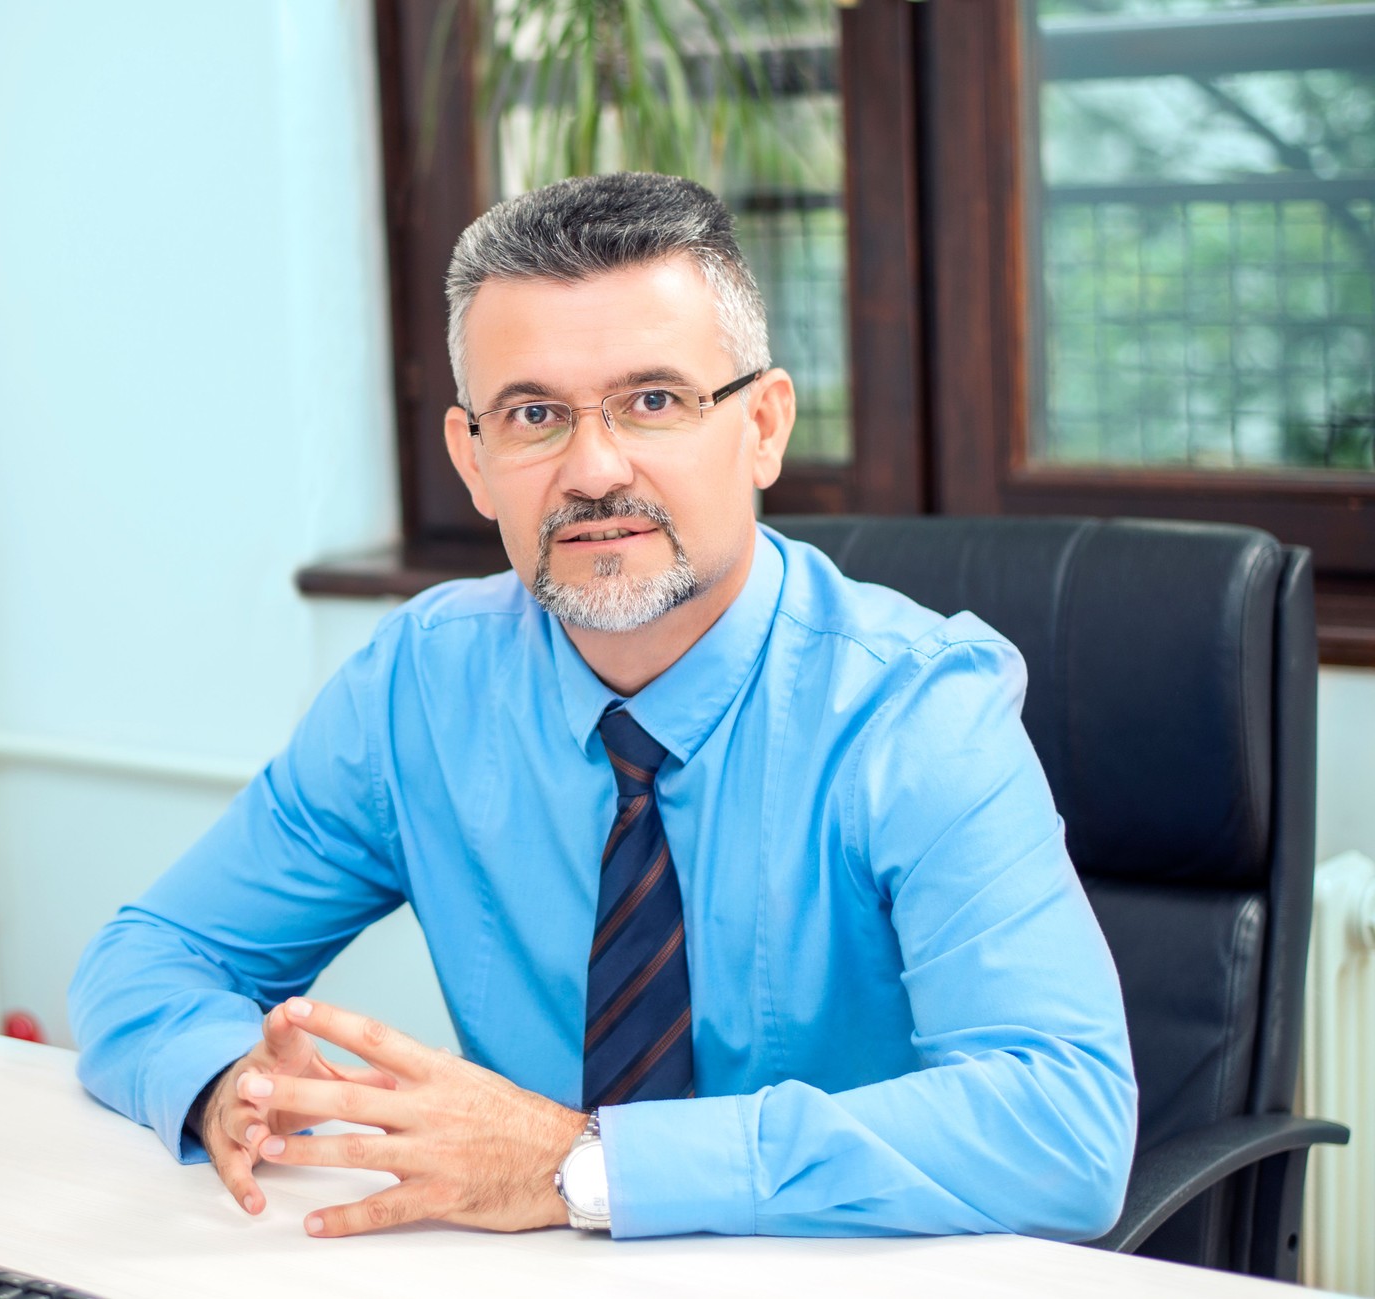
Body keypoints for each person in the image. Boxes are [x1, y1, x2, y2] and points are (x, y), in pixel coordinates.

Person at [69, 172, 1137, 1242]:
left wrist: (587, 1167)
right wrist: (223, 1080)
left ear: (761, 426)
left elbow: (1065, 1125)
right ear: (473, 460)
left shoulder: (915, 712)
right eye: (533, 415)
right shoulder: (419, 688)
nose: (591, 469)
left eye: (654, 401)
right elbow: (150, 955)